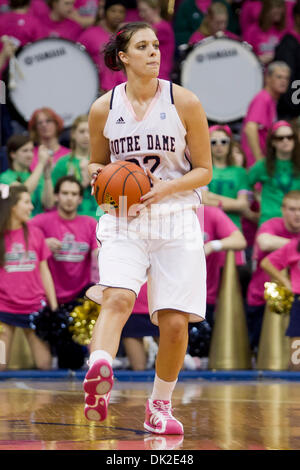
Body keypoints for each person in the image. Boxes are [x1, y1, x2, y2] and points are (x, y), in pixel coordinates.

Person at [84, 22, 212, 434]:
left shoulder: (185, 101)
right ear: (123, 57)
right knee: (118, 297)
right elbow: (96, 161)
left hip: (176, 217)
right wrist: (96, 175)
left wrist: (166, 187)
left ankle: (159, 406)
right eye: (143, 46)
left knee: (174, 323)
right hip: (123, 215)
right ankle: (99, 372)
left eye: (156, 45)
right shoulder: (104, 107)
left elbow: (206, 171)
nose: (154, 52)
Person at [0, 185, 57, 370]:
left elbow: (44, 271)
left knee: (45, 364)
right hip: (3, 309)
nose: (31, 207)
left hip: (33, 308)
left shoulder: (35, 234)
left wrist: (54, 306)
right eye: (26, 202)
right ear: (12, 206)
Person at [30, 175, 98, 307]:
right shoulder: (41, 221)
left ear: (80, 199)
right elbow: (18, 236)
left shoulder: (90, 224)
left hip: (81, 298)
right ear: (56, 196)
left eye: (74, 194)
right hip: (48, 296)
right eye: (65, 193)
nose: (69, 198)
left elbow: (99, 253)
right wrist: (42, 244)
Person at [246, 190, 300, 352]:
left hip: (295, 300)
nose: (297, 214)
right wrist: (295, 247)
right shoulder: (271, 225)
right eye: (292, 209)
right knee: (261, 351)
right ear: (283, 210)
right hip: (263, 298)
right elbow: (265, 243)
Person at [248, 120, 300, 225]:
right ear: (273, 142)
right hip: (269, 221)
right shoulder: (262, 165)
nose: (286, 140)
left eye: (290, 137)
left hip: (296, 224)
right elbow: (245, 183)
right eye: (280, 138)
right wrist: (256, 198)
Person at [241, 61, 291, 168]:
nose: (283, 81)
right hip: (255, 163)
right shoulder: (263, 99)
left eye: (286, 78)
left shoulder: (271, 100)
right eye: (279, 77)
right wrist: (259, 159)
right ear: (267, 78)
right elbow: (250, 128)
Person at [261, 238, 300, 370]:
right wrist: (285, 281)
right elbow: (266, 263)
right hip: (299, 302)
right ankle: (296, 377)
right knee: (296, 348)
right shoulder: (294, 246)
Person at [51, 115, 100, 218]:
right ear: (73, 134)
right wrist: (81, 185)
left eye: (89, 131)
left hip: (98, 216)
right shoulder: (63, 163)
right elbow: (52, 198)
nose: (86, 136)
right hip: (72, 218)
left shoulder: (101, 160)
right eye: (82, 131)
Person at [202, 125, 249, 230]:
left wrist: (211, 196)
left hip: (233, 228)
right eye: (214, 142)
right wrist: (234, 204)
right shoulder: (202, 170)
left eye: (223, 141)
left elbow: (243, 205)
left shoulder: (240, 172)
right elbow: (203, 201)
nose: (219, 145)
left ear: (229, 144)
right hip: (208, 228)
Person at [78, 0, 127, 93]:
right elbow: (78, 59)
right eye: (113, 11)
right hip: (100, 91)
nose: (117, 15)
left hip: (125, 91)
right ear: (104, 13)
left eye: (121, 12)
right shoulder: (90, 34)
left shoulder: (127, 35)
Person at [0, 135, 54, 216]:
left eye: (31, 150)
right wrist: (41, 163)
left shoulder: (37, 176)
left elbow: (49, 204)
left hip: (38, 225)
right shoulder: (4, 178)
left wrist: (47, 176)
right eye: (25, 151)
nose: (30, 155)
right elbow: (23, 192)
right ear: (13, 154)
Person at [137, 0, 175, 80]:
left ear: (156, 9)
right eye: (140, 11)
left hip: (160, 75)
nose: (141, 14)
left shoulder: (163, 27)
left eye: (144, 10)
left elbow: (141, 35)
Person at [243, 0, 288, 65]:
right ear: (267, 9)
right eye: (276, 7)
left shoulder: (283, 30)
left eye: (281, 7)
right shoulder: (252, 31)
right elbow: (245, 55)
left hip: (278, 70)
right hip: (258, 68)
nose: (280, 10)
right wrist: (258, 59)